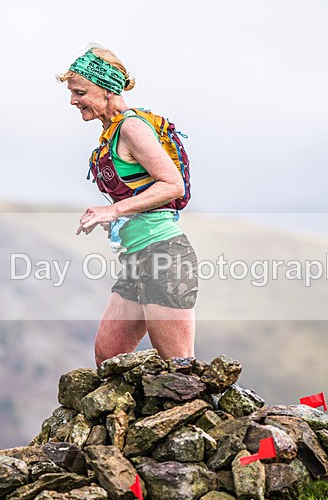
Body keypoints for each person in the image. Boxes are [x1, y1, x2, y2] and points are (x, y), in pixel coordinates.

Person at [57, 46, 199, 366]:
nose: (72, 100)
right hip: (138, 259)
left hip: (164, 255)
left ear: (107, 90)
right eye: (71, 93)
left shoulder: (132, 128)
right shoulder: (110, 134)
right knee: (108, 356)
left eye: (80, 92)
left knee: (182, 369)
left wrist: (112, 211)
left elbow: (172, 184)